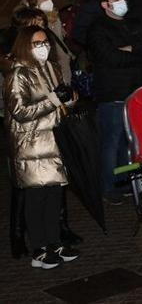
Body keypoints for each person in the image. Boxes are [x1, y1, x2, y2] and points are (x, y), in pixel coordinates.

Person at [4, 25, 80, 270]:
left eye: (45, 42)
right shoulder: (19, 74)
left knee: (54, 195)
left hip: (52, 140)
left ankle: (54, 242)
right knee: (37, 197)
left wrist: (67, 98)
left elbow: (55, 100)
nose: (43, 47)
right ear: (26, 45)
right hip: (31, 144)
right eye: (37, 43)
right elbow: (20, 111)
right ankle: (39, 248)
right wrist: (54, 100)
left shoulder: (48, 68)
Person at [88, 0, 142, 204]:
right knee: (112, 140)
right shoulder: (98, 28)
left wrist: (131, 49)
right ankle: (109, 186)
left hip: (135, 91)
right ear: (105, 4)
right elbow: (111, 57)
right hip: (113, 92)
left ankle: (125, 181)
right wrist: (137, 51)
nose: (121, 2)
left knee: (129, 141)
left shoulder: (134, 22)